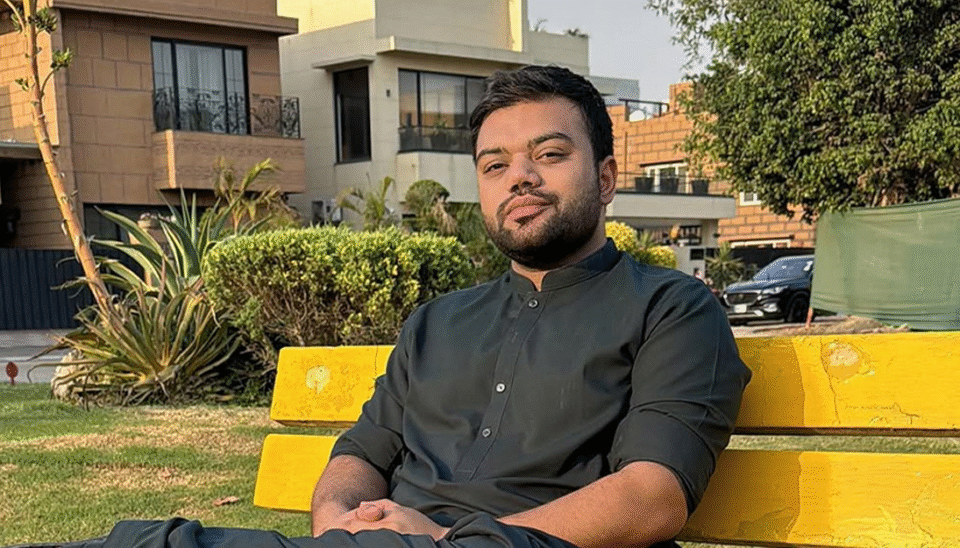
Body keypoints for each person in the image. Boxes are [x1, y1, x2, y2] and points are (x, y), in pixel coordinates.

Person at [46, 66, 749, 548]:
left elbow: (652, 497)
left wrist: (441, 538)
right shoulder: (439, 323)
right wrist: (338, 521)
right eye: (494, 165)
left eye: (550, 154)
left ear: (606, 177)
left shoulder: (670, 308)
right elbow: (361, 453)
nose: (520, 178)